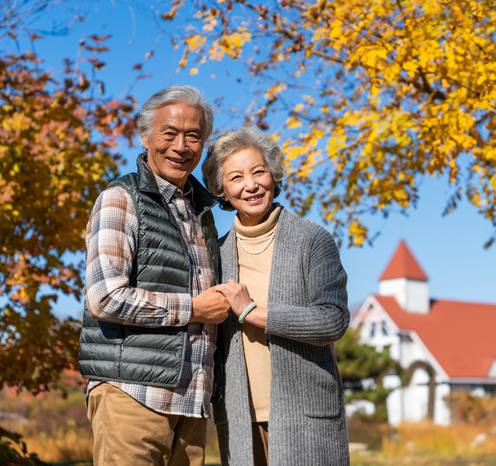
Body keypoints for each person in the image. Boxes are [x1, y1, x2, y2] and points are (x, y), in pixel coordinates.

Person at [78, 85, 231, 465]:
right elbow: (105, 297)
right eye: (169, 133)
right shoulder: (121, 199)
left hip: (192, 402)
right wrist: (193, 308)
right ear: (145, 135)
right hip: (132, 396)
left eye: (193, 136)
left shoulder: (202, 214)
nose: (181, 146)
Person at [201, 125, 350, 466]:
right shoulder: (216, 253)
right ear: (222, 190)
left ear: (274, 175)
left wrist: (251, 311)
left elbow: (333, 320)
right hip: (239, 418)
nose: (251, 185)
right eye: (236, 177)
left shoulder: (312, 240)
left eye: (259, 171)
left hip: (306, 418)